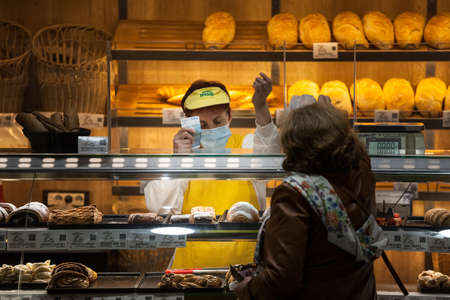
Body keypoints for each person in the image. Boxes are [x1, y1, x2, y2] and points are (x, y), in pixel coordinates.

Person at [234, 97, 386, 300]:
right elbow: (358, 151)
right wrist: (329, 118)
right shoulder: (362, 174)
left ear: (294, 145)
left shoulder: (295, 194)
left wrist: (246, 289)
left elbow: (282, 279)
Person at [144, 73, 281, 269]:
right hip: (192, 265)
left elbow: (271, 155)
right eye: (202, 125)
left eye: (218, 122)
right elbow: (159, 205)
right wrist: (178, 161)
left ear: (230, 116)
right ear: (187, 123)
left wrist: (260, 107)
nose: (211, 129)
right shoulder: (185, 156)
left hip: (245, 265)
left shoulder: (246, 146)